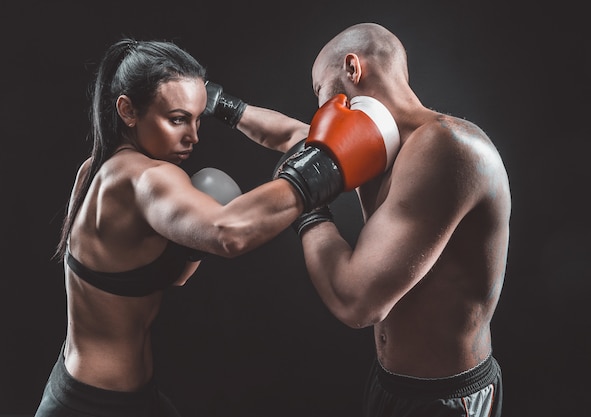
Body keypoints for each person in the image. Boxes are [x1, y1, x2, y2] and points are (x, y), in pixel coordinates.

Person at [34, 37, 396, 417]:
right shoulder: (147, 179)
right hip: (95, 408)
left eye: (196, 117)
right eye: (176, 119)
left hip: (93, 390)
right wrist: (320, 172)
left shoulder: (92, 170)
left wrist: (225, 106)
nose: (193, 135)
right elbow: (229, 233)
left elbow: (304, 140)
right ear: (127, 110)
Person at [237, 22, 510, 417]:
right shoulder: (382, 144)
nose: (319, 110)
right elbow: (294, 136)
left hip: (447, 400)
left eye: (319, 90)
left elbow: (357, 301)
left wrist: (308, 206)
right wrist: (220, 105)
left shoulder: (446, 147)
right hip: (389, 383)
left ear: (352, 68)